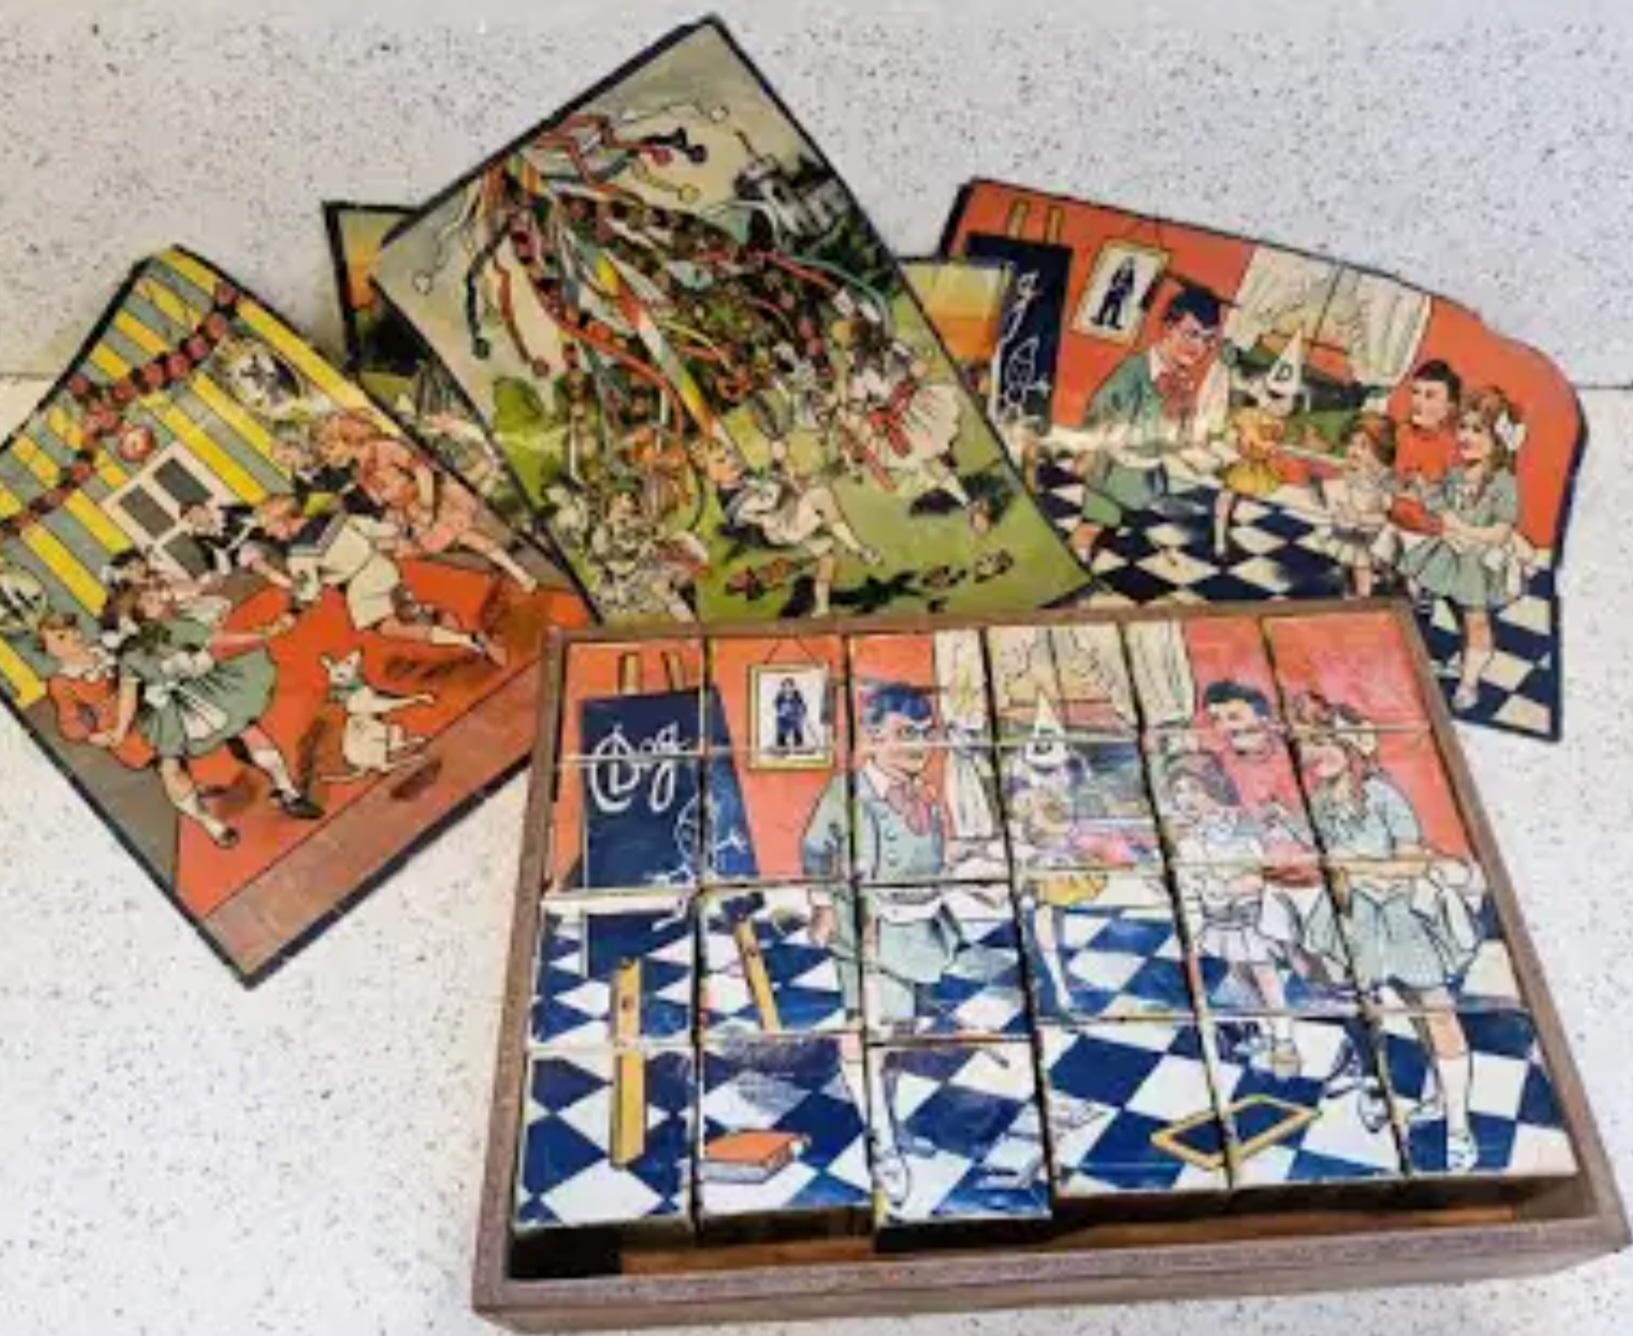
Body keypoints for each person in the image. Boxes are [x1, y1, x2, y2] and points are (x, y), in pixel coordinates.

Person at [1293, 694, 1481, 1170]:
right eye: (1307, 742)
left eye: (1322, 740)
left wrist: (1357, 867)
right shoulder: (1318, 801)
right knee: (1393, 1010)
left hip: (1403, 919)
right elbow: (1333, 868)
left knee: (1436, 1015)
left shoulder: (1382, 794)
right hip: (1359, 920)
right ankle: (1405, 1094)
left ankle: (1459, 1127)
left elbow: (1413, 859)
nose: (1312, 752)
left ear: (1351, 744)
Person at [801, 682, 957, 1203]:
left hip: (918, 928)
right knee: (868, 1029)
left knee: (901, 1034)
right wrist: (824, 905)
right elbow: (815, 849)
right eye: (904, 733)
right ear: (871, 737)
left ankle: (888, 1117)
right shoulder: (847, 793)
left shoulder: (923, 794)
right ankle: (882, 1141)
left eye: (925, 734)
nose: (918, 745)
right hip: (866, 930)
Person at [100, 580, 321, 834]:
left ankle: (286, 793)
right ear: (136, 618)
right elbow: (129, 694)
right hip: (172, 711)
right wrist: (270, 632)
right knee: (172, 765)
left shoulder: (159, 637)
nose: (159, 598)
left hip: (202, 693)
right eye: (149, 600)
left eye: (154, 595)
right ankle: (216, 824)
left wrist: (265, 634)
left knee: (246, 730)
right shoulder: (160, 638)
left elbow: (219, 642)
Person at [36, 612, 242, 847]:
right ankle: (212, 825)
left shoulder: (106, 649)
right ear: (49, 650)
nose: (73, 636)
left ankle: (191, 792)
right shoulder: (61, 682)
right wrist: (94, 736)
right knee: (169, 767)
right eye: (61, 637)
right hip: (127, 733)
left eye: (72, 629)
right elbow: (69, 724)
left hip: (153, 709)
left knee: (177, 759)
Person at [1162, 749, 1304, 1077]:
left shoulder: (1242, 821)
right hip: (1218, 918)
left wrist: (1231, 884)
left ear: (1213, 786)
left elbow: (1264, 867)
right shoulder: (1188, 832)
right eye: (1178, 791)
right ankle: (1267, 1029)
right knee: (1240, 974)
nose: (1186, 798)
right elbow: (1192, 874)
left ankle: (1285, 1042)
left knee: (1266, 976)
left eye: (1194, 788)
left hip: (1250, 915)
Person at [1068, 285, 1223, 561]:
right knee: (1093, 525)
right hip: (1113, 468)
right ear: (1168, 328)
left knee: (1112, 527)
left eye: (1208, 339)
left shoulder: (1182, 381)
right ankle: (1073, 567)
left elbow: (1177, 428)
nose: (1199, 347)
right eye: (1192, 334)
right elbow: (1102, 410)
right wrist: (1088, 451)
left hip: (1144, 474)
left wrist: (1194, 451)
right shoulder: (1135, 370)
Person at [254, 494, 505, 665]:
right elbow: (374, 529)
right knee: (406, 616)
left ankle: (467, 640)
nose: (268, 532)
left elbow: (307, 592)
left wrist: (286, 619)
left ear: (282, 518)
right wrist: (399, 535)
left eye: (269, 525)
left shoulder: (299, 553)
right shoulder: (332, 519)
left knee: (388, 627)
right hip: (382, 567)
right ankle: (442, 623)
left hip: (361, 586)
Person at [312, 408, 538, 592]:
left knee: (472, 537)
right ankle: (518, 571)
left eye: (329, 449)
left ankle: (520, 572)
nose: (328, 458)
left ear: (346, 438)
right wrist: (403, 523)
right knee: (467, 540)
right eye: (325, 454)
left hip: (433, 500)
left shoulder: (385, 448)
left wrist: (428, 507)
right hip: (414, 514)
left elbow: (423, 471)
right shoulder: (360, 472)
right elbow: (386, 502)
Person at [1396, 388, 1525, 710]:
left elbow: (1500, 532)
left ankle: (1469, 683)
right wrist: (1422, 489)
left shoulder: (1503, 482)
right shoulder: (1455, 474)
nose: (1466, 436)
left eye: (1477, 430)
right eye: (1463, 428)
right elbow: (1439, 503)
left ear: (1499, 439)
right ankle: (1420, 645)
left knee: (1475, 621)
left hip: (1476, 564)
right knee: (1415, 584)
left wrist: (1462, 528)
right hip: (1447, 554)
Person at [1319, 412, 1399, 597]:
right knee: (1356, 562)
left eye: (1363, 446)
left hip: (1374, 529)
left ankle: (1369, 591)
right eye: (1351, 443)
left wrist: (1362, 516)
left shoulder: (1383, 478)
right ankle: (1360, 592)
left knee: (1371, 561)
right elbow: (1343, 487)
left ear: (1380, 450)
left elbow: (1387, 513)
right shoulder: (1353, 469)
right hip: (1354, 529)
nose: (1354, 450)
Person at [1391, 360, 1462, 534]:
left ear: (1449, 407)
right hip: (1389, 518)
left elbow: (1455, 505)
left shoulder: (1454, 448)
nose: (1417, 401)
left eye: (1429, 396)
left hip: (1428, 530)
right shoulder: (1401, 433)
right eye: (1415, 392)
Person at [1213, 406, 1288, 558]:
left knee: (1231, 499)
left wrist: (1269, 446)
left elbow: (1271, 444)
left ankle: (1223, 534)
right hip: (1242, 465)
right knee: (1226, 499)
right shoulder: (1250, 418)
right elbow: (1246, 443)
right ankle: (1219, 542)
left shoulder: (1273, 421)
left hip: (1252, 466)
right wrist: (1264, 445)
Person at [1093, 256, 1138, 331]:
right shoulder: (1119, 270)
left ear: (1131, 266)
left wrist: (1128, 291)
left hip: (1120, 292)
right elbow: (1113, 278)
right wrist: (1112, 285)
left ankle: (1112, 322)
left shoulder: (1131, 274)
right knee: (1105, 304)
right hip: (1112, 290)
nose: (1127, 266)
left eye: (1129, 264)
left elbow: (1131, 284)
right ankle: (1100, 319)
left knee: (1116, 308)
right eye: (1126, 263)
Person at [772, 676, 808, 751]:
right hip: (783, 718)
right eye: (785, 686)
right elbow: (777, 705)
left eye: (789, 686)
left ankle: (798, 745)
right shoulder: (780, 695)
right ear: (783, 687)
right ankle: (781, 745)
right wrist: (782, 711)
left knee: (797, 730)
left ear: (793, 687)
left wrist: (801, 711)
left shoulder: (797, 695)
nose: (787, 688)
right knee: (781, 731)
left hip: (794, 717)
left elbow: (802, 706)